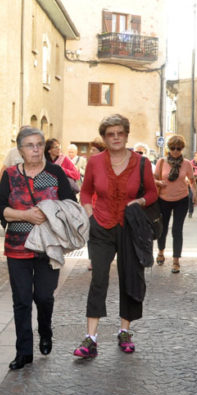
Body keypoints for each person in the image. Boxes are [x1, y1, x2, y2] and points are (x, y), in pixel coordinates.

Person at [75, 114, 157, 359]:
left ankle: (125, 331)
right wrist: (89, 214)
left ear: (126, 135)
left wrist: (139, 201)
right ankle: (91, 338)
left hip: (130, 227)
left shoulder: (142, 163)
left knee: (130, 277)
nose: (116, 138)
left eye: (120, 133)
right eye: (110, 134)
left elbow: (152, 192)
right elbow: (86, 191)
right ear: (104, 137)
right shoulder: (95, 162)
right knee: (98, 278)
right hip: (100, 225)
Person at [0, 127, 75, 370]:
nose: (36, 149)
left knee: (43, 296)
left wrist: (50, 213)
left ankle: (45, 330)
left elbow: (70, 204)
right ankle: (23, 351)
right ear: (20, 150)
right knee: (21, 300)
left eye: (39, 144)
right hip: (17, 247)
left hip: (48, 246)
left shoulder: (54, 172)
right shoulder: (10, 175)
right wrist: (25, 215)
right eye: (30, 145)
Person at [153, 135, 197, 274]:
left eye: (178, 148)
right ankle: (160, 252)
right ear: (169, 148)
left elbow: (191, 180)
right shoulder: (161, 162)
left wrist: (194, 194)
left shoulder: (186, 164)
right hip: (163, 199)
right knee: (163, 228)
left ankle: (176, 261)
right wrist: (159, 183)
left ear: (182, 149)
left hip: (181, 200)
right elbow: (153, 178)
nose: (175, 151)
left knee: (177, 230)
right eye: (173, 148)